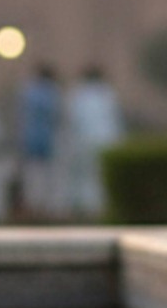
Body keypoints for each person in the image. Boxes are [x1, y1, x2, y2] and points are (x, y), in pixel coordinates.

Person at [62, 65, 124, 220]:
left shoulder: (77, 95)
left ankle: (86, 209)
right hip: (106, 141)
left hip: (84, 142)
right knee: (100, 178)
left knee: (84, 177)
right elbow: (115, 120)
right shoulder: (108, 94)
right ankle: (98, 209)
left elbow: (71, 121)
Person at [15, 63, 66, 220]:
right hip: (46, 139)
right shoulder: (52, 93)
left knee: (32, 176)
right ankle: (44, 207)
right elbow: (58, 116)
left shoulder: (29, 91)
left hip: (29, 139)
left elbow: (21, 115)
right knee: (46, 176)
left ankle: (33, 206)